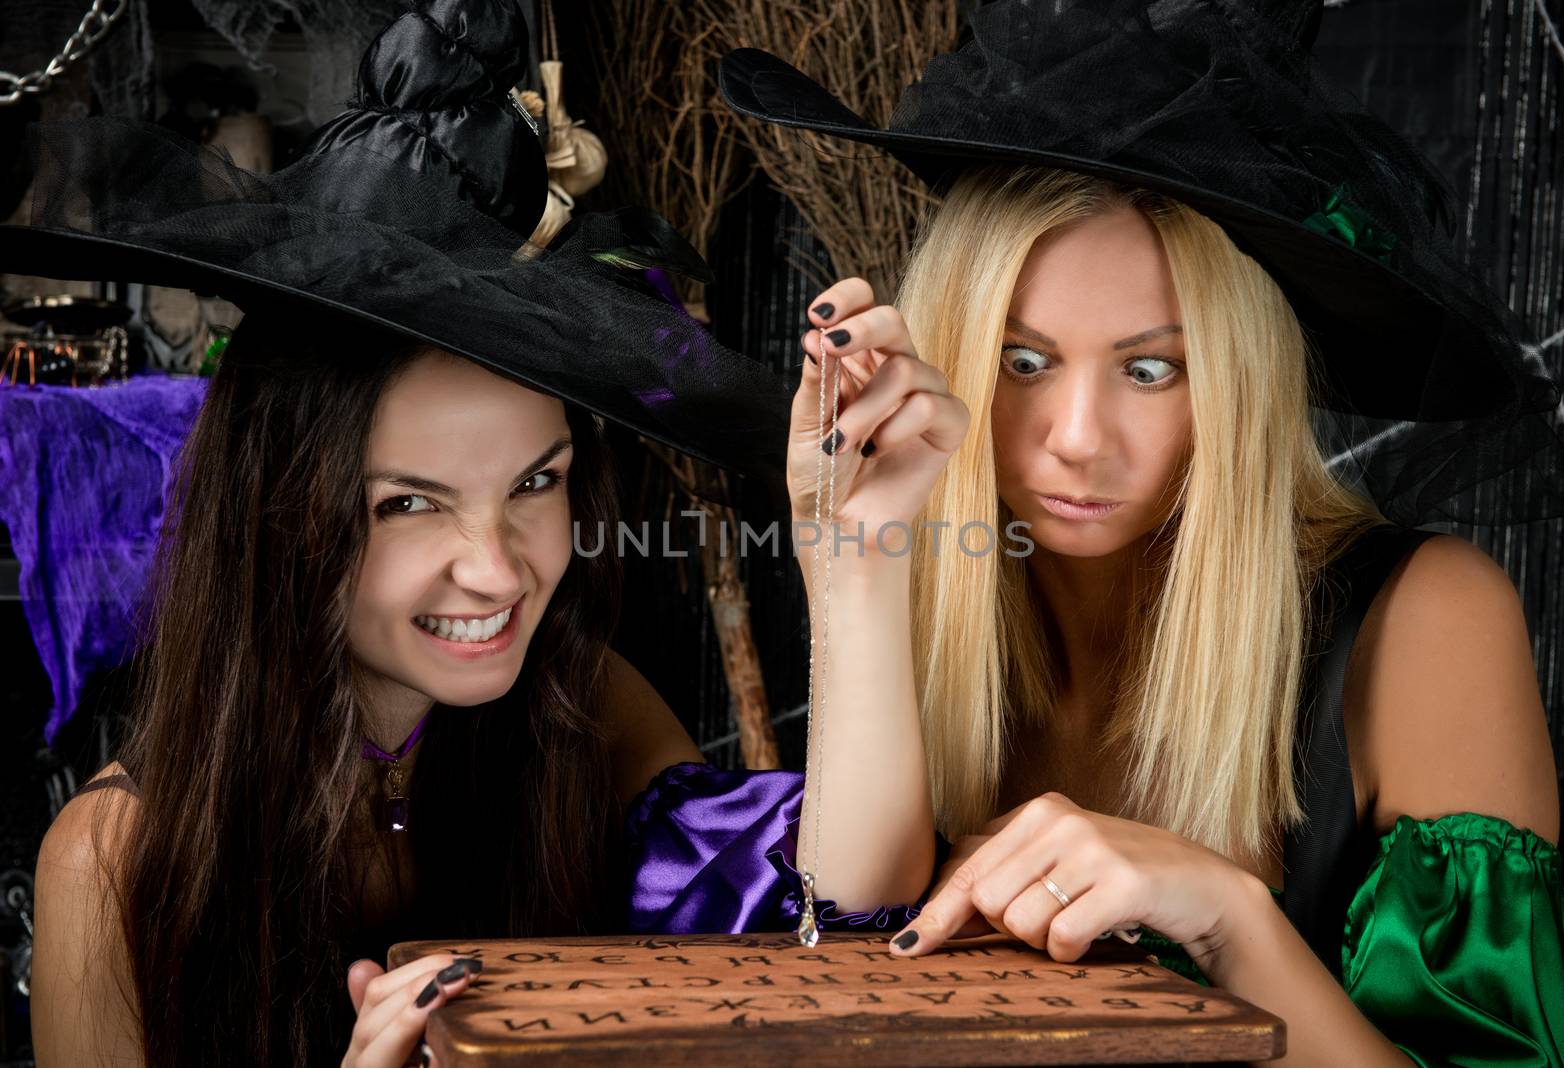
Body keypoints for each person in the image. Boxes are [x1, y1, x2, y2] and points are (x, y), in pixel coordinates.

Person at [14, 0, 911, 1064]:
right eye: (408, 502)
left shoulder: (584, 709)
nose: (495, 571)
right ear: (278, 509)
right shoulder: (113, 863)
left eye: (536, 482)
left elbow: (845, 925)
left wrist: (854, 565)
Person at [716, 0, 1564, 1063]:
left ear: (1240, 381)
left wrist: (1227, 921)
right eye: (1023, 361)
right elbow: (852, 979)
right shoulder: (933, 595)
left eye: (1150, 368)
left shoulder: (1424, 622)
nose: (1077, 439)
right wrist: (850, 572)